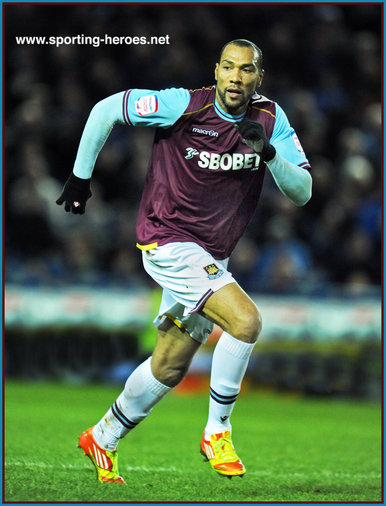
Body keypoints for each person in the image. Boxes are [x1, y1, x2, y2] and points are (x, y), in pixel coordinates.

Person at [56, 39, 312, 484]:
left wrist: (268, 155)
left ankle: (104, 434)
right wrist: (80, 178)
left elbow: (303, 192)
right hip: (168, 241)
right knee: (246, 322)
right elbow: (105, 109)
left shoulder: (270, 119)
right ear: (216, 71)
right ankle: (218, 432)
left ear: (259, 77)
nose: (236, 77)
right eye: (228, 68)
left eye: (246, 70)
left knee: (171, 364)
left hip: (212, 255)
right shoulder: (182, 106)